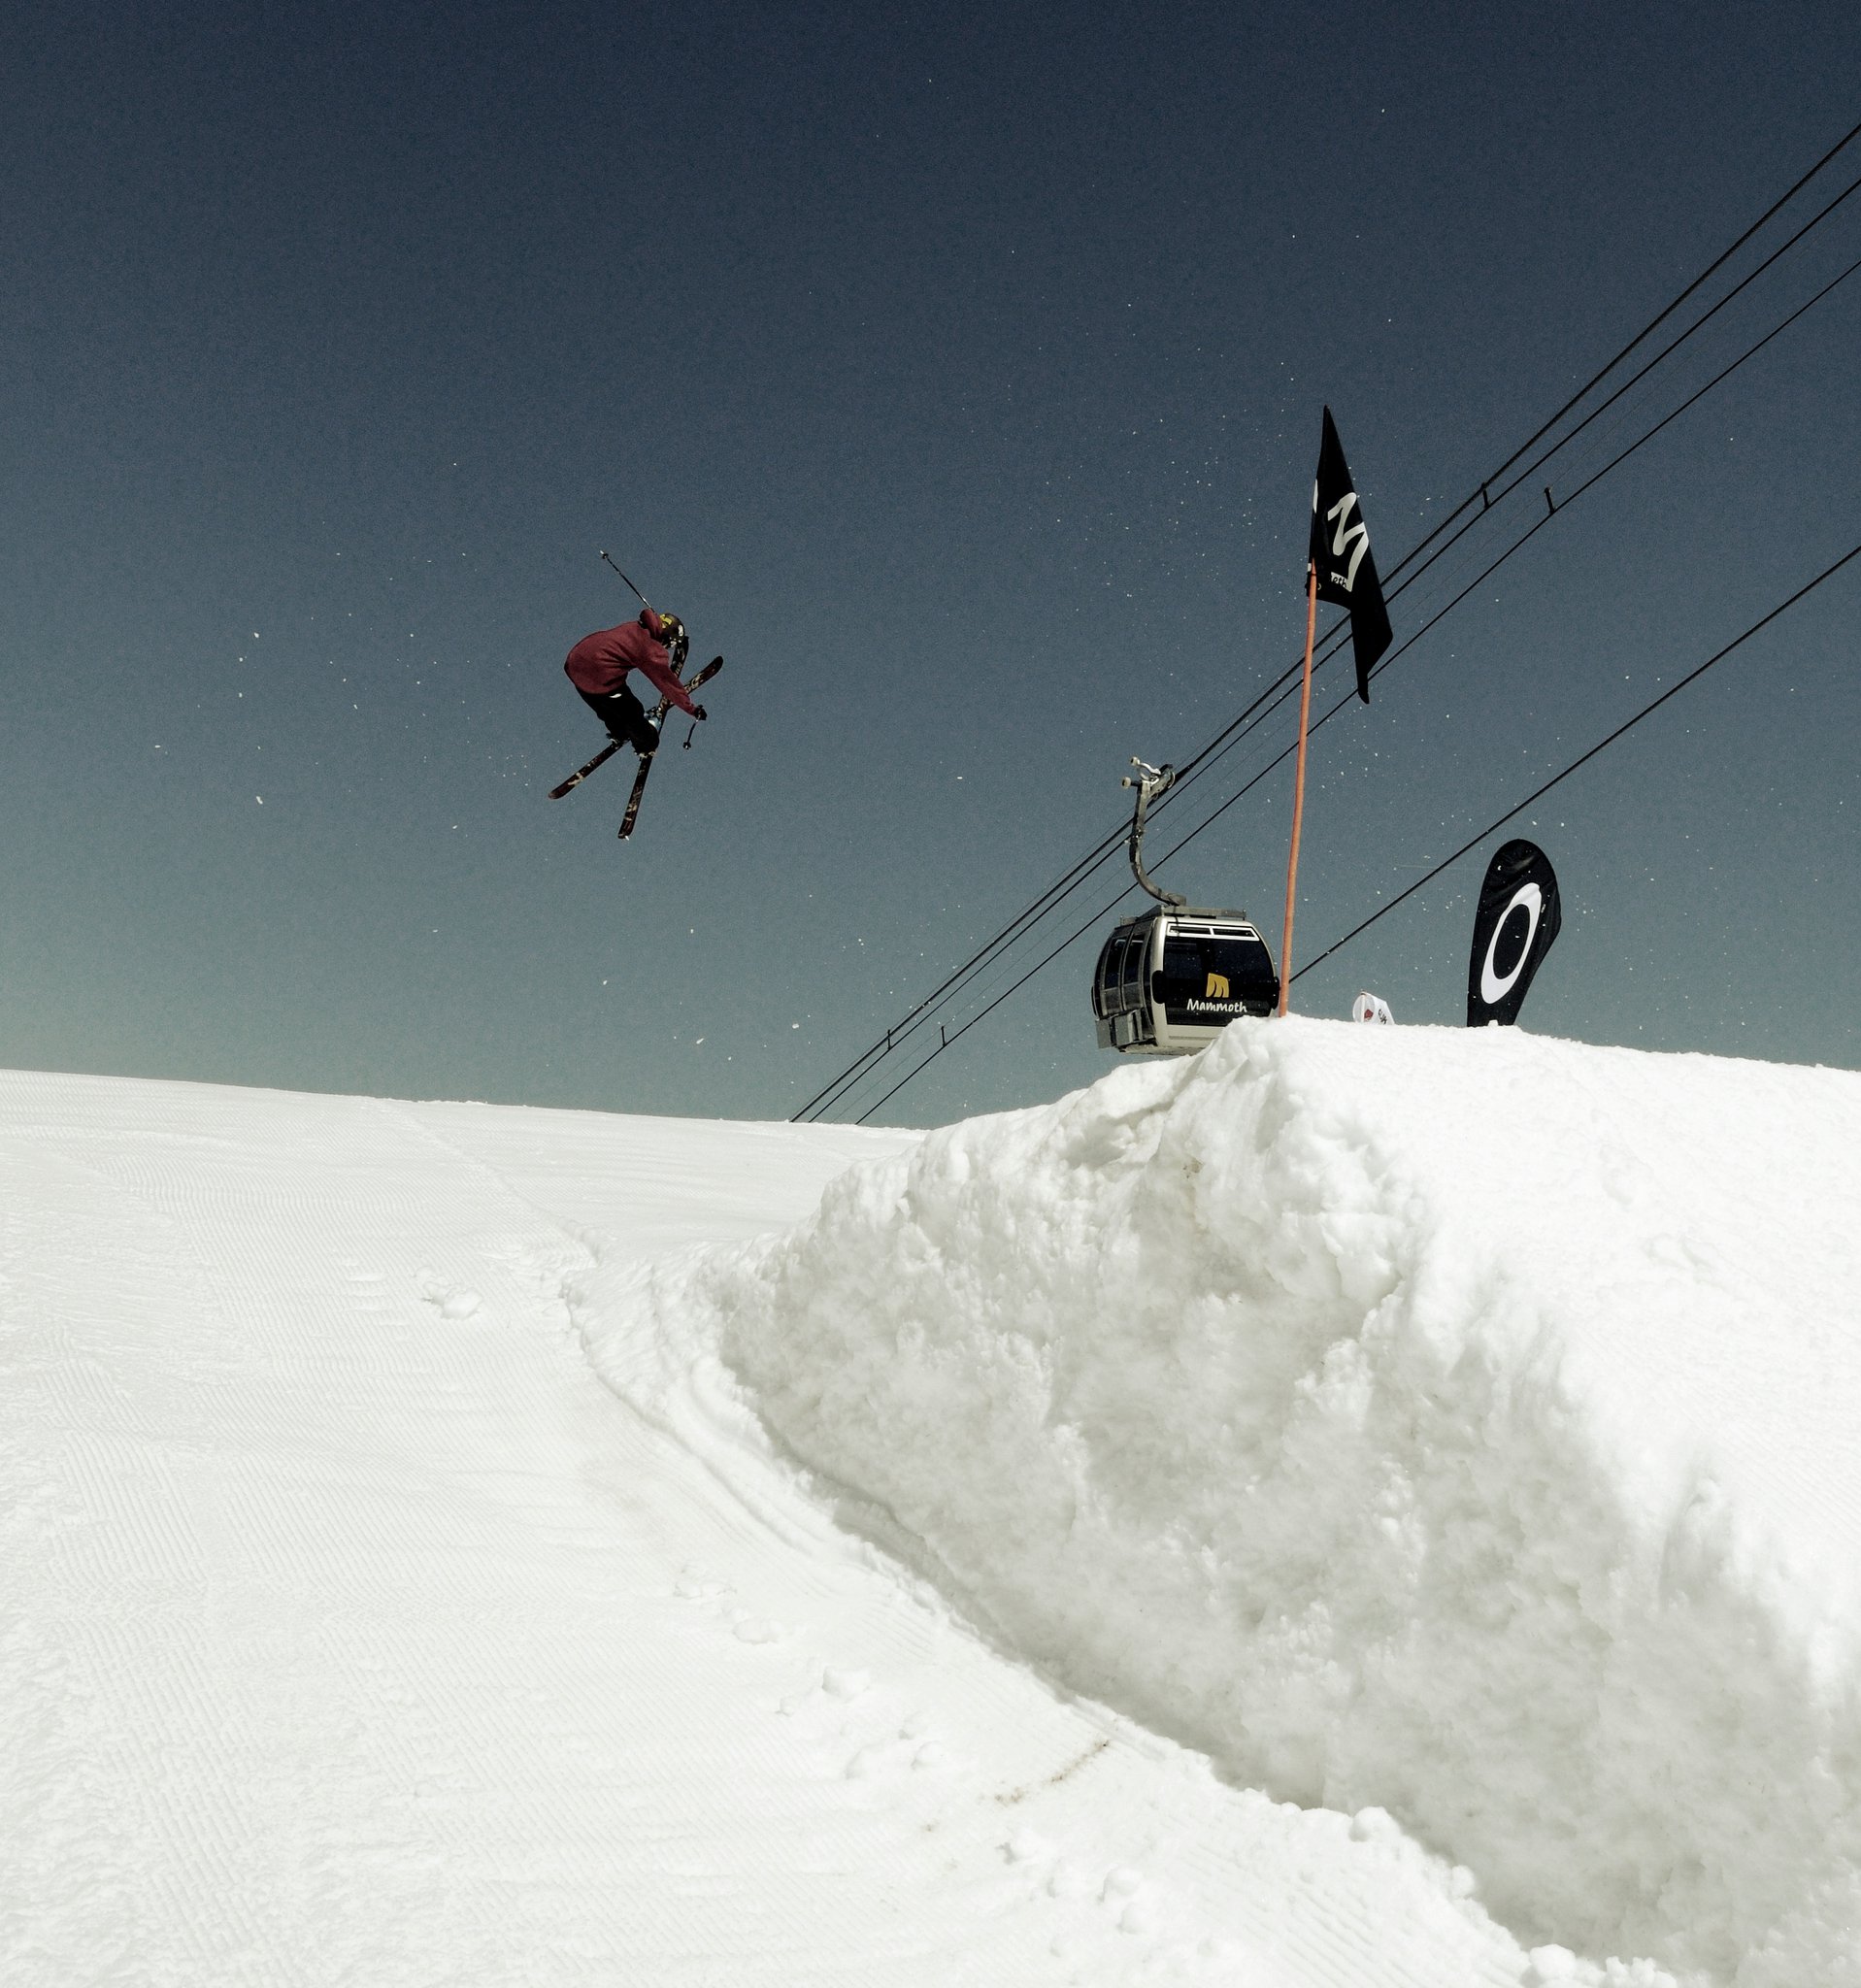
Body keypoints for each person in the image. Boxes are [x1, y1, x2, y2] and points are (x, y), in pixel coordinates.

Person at [564, 609, 707, 760]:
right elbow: (666, 682)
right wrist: (690, 708)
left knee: (606, 706)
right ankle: (646, 745)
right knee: (632, 711)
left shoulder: (637, 626)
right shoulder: (650, 649)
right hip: (598, 676)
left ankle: (619, 732)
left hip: (575, 666)